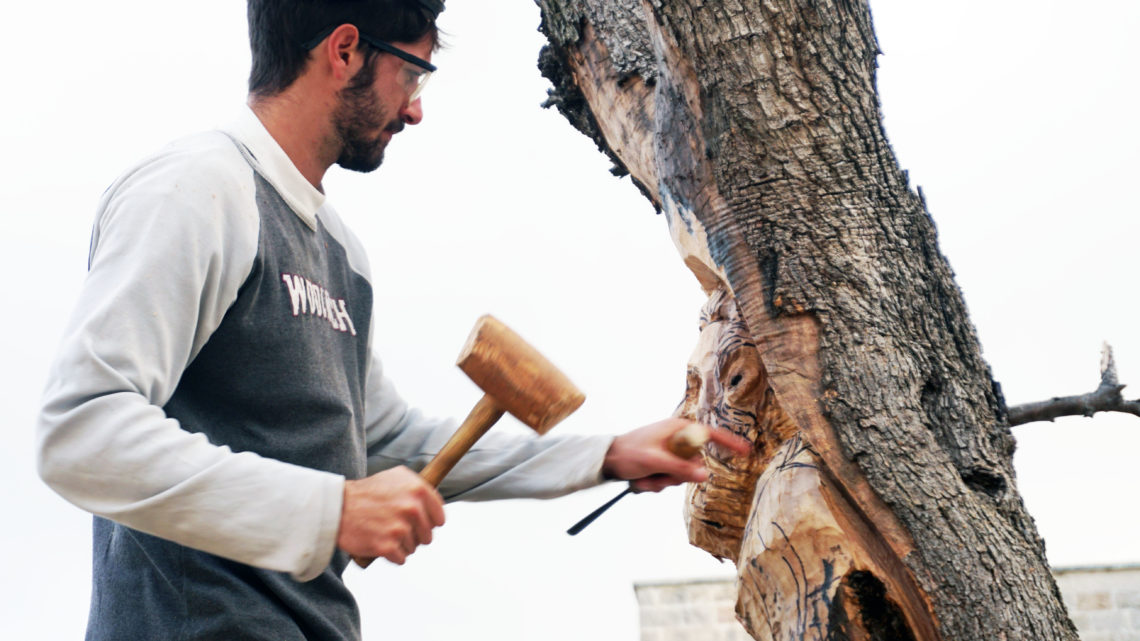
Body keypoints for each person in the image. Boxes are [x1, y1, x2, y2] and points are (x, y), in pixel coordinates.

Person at [35, 1, 749, 639]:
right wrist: (333, 510)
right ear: (345, 50)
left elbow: (381, 443)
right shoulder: (196, 191)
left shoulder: (341, 251)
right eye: (413, 74)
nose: (415, 109)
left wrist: (605, 455)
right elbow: (82, 430)